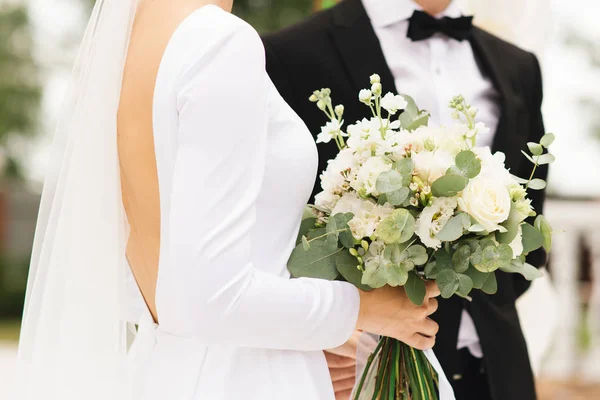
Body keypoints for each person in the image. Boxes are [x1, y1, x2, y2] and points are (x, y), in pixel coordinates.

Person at [15, 0, 442, 399]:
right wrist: (364, 308)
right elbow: (211, 298)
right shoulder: (219, 41)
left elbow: (159, 282)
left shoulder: (130, 41)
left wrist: (306, 333)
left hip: (166, 368)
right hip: (249, 380)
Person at [263, 0, 548, 399]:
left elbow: (530, 236)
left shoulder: (519, 66)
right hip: (361, 369)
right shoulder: (288, 53)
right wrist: (316, 332)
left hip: (499, 369)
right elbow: (269, 231)